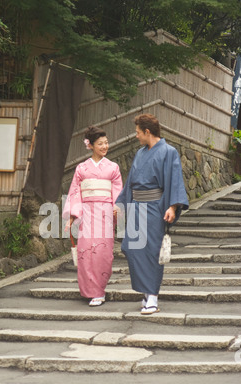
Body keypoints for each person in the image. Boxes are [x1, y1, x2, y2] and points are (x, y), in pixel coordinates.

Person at [116, 114, 189, 315]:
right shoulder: (140, 153)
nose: (136, 135)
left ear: (147, 132)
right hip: (136, 206)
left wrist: (172, 207)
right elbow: (130, 181)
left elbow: (174, 180)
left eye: (138, 132)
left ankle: (153, 296)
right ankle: (145, 292)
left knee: (152, 252)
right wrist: (120, 205)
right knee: (132, 249)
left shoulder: (169, 152)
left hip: (155, 207)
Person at [63, 126, 123, 307]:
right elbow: (75, 193)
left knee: (103, 253)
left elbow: (117, 190)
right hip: (87, 213)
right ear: (90, 145)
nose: (105, 146)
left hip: (105, 212)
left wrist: (116, 207)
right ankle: (88, 290)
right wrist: (74, 215)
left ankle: (99, 291)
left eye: (106, 143)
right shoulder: (81, 168)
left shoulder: (113, 167)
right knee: (85, 250)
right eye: (100, 144)